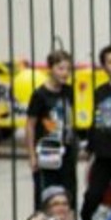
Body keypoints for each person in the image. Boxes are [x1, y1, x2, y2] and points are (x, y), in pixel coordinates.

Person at [23, 49, 78, 206]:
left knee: (68, 195)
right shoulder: (40, 94)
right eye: (61, 68)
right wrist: (32, 155)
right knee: (46, 196)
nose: (65, 73)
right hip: (47, 151)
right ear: (50, 69)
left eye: (68, 69)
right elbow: (30, 124)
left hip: (66, 152)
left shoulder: (68, 91)